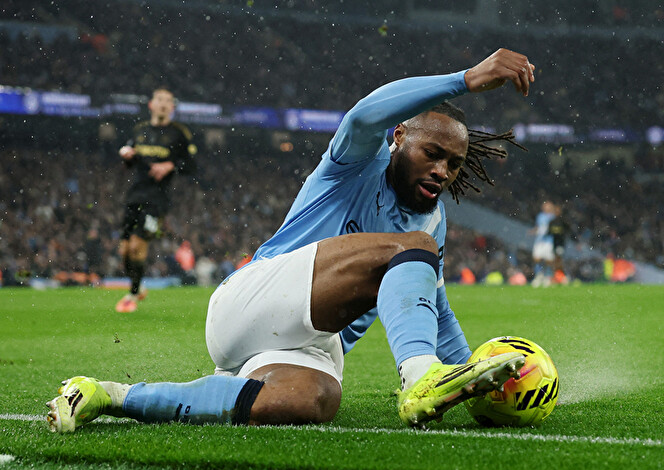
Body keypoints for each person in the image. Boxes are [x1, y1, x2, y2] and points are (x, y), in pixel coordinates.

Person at [47, 48, 535, 432]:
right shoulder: (355, 164)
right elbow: (364, 116)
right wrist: (466, 79)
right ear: (399, 137)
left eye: (454, 163)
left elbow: (435, 309)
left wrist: (477, 380)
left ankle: (109, 395)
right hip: (254, 299)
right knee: (412, 248)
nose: (443, 171)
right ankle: (418, 377)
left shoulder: (431, 222)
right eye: (433, 153)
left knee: (311, 402)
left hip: (307, 345)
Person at [115, 87, 197, 312]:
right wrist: (127, 155)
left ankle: (132, 294)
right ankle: (138, 288)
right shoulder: (140, 130)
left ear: (172, 107)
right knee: (124, 250)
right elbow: (129, 157)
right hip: (134, 195)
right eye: (159, 99)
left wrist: (170, 165)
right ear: (151, 104)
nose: (163, 104)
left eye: (167, 101)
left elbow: (191, 165)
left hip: (157, 199)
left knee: (137, 245)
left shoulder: (179, 133)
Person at [529, 200, 555, 287]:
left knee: (548, 260)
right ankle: (539, 275)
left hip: (549, 241)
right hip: (539, 241)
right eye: (545, 206)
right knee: (536, 258)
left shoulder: (553, 217)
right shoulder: (540, 216)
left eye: (548, 206)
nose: (546, 208)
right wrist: (533, 231)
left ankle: (547, 277)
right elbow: (538, 226)